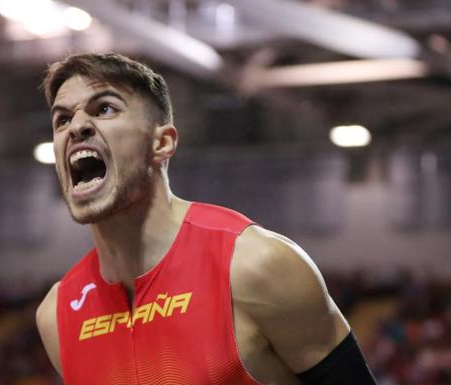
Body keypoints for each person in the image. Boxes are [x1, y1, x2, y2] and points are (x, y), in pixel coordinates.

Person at [35, 52, 377, 385]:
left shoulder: (256, 267)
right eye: (62, 119)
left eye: (105, 108)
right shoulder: (57, 316)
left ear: (162, 143)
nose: (77, 126)